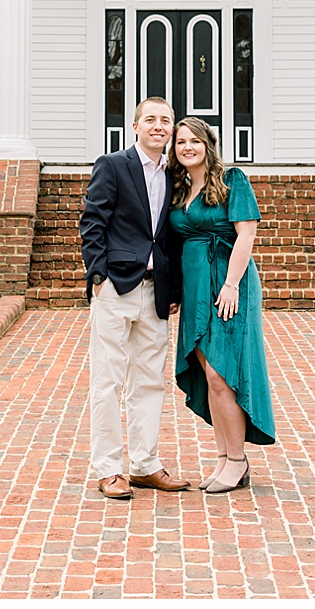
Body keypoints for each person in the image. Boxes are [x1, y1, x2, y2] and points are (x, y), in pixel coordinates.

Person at [78, 96, 193, 500]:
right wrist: (97, 273)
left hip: (156, 291)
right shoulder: (113, 165)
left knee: (149, 382)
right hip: (116, 286)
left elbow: (173, 237)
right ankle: (108, 468)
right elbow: (93, 221)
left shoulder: (176, 175)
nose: (159, 126)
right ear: (136, 125)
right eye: (151, 119)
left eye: (166, 120)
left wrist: (174, 288)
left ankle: (145, 465)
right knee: (107, 381)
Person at [166, 116, 276, 494]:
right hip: (196, 286)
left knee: (222, 373)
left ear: (208, 144)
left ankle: (238, 460)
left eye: (195, 141)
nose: (188, 148)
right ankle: (224, 458)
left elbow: (247, 233)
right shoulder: (178, 189)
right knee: (209, 374)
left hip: (229, 282)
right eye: (181, 142)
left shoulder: (233, 180)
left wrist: (231, 284)